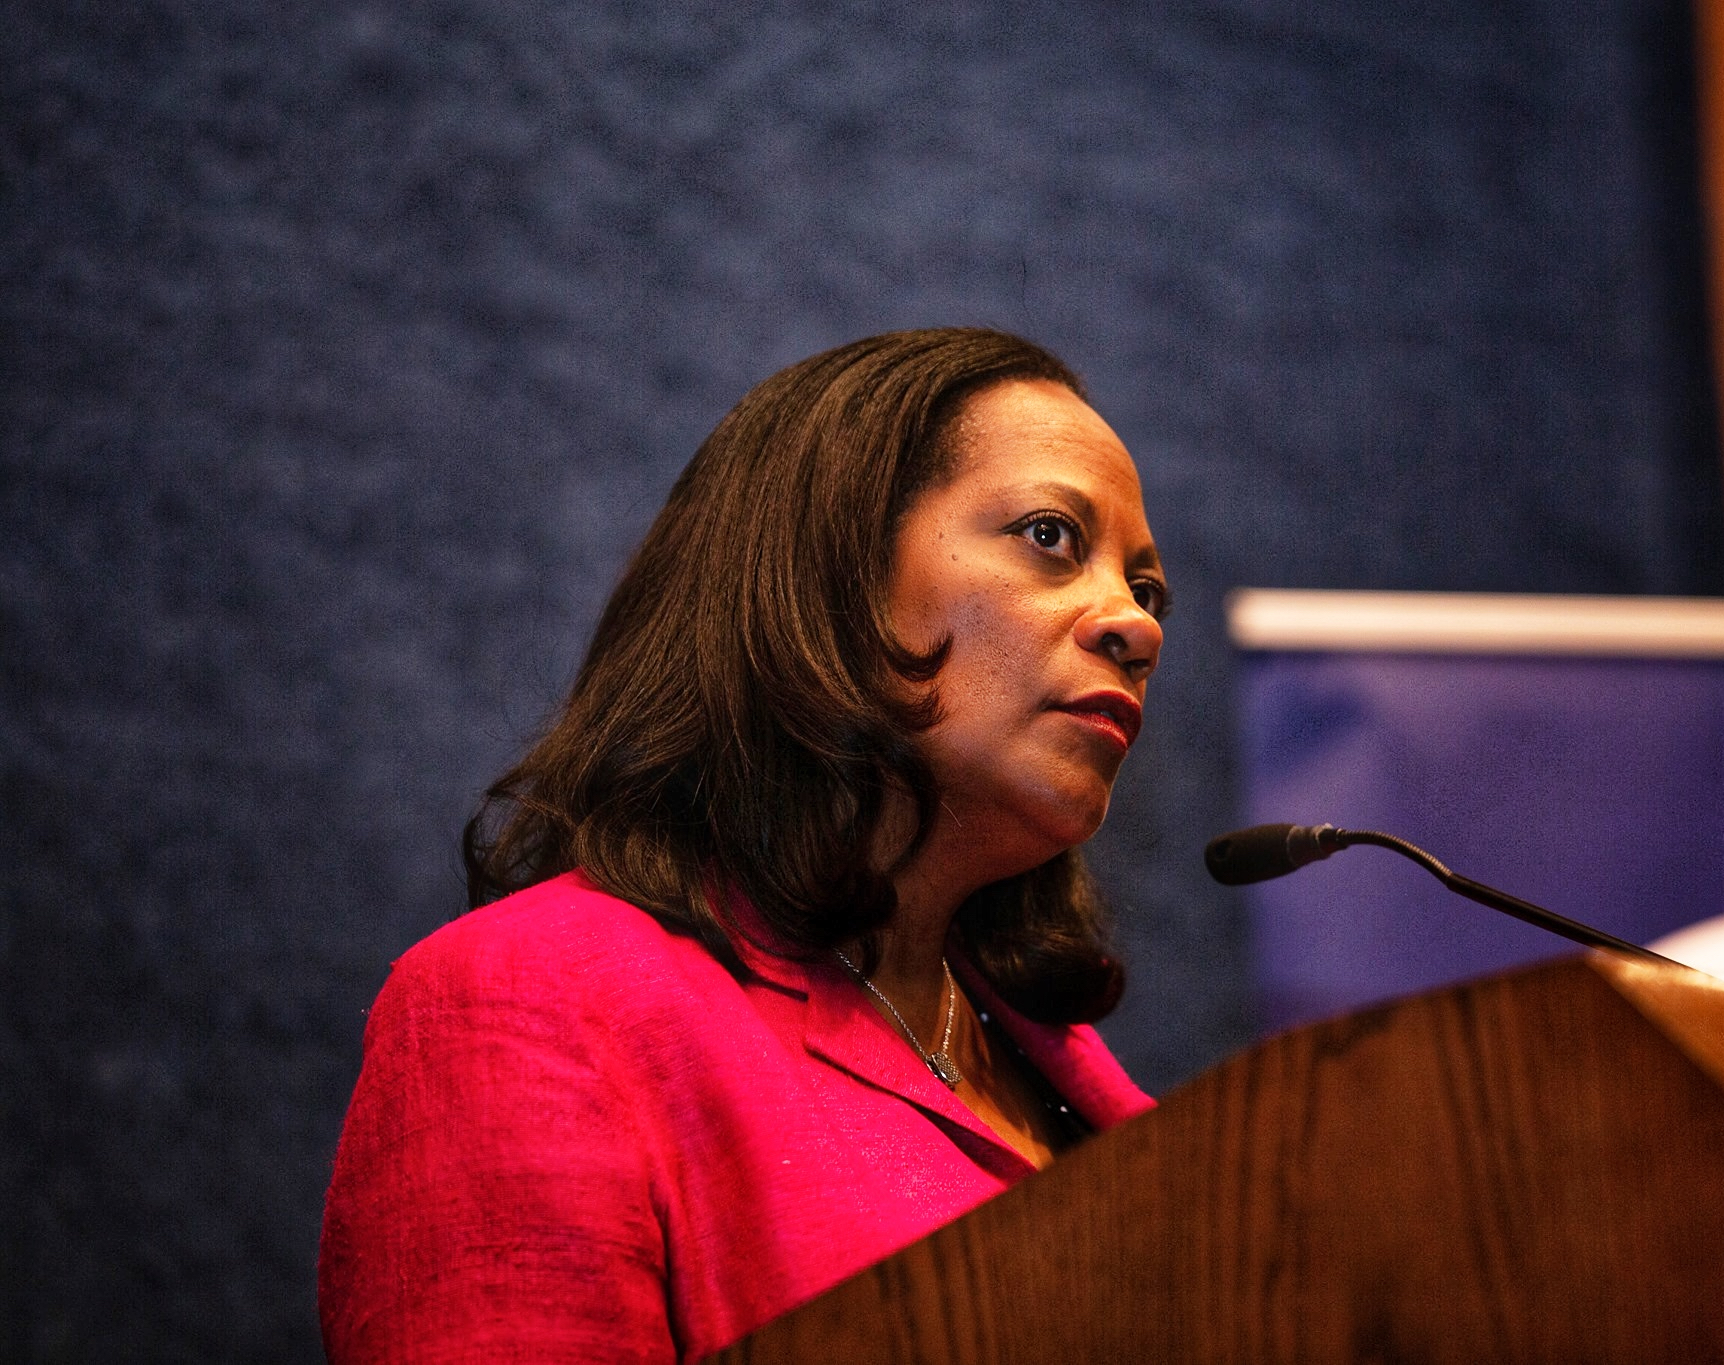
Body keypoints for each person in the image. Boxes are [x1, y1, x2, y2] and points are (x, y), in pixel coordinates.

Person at [317, 329, 1171, 1362]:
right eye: (1049, 536)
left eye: (1146, 589)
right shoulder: (530, 1000)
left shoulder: (1055, 1066)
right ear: (832, 572)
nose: (1134, 625)